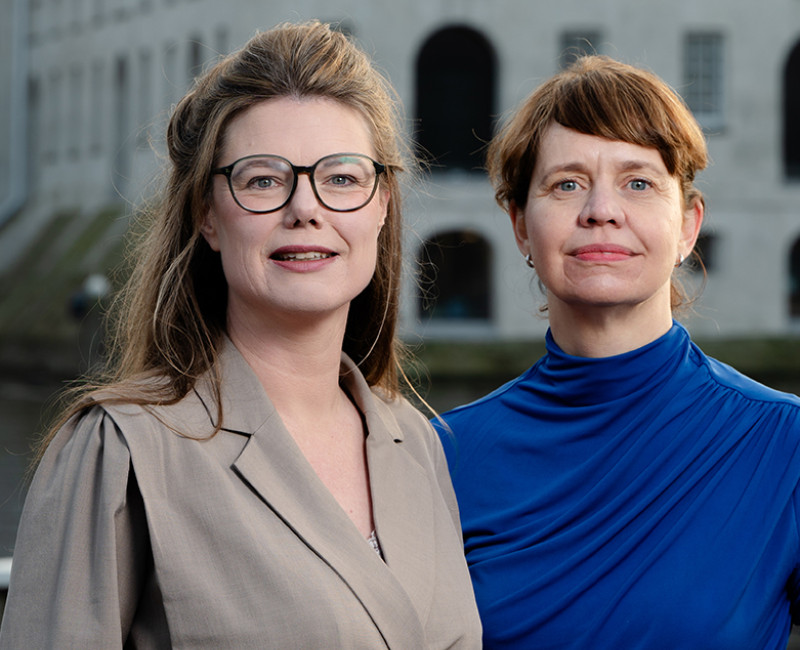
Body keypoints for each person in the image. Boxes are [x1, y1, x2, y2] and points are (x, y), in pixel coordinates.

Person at [0, 21, 481, 649]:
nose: (305, 207)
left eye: (341, 178)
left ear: (382, 204)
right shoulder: (121, 452)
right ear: (208, 216)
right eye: (263, 179)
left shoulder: (416, 443)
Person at [434, 55, 800, 649]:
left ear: (687, 227)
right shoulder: (444, 455)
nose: (601, 210)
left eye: (638, 183)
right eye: (568, 183)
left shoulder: (783, 443)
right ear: (521, 226)